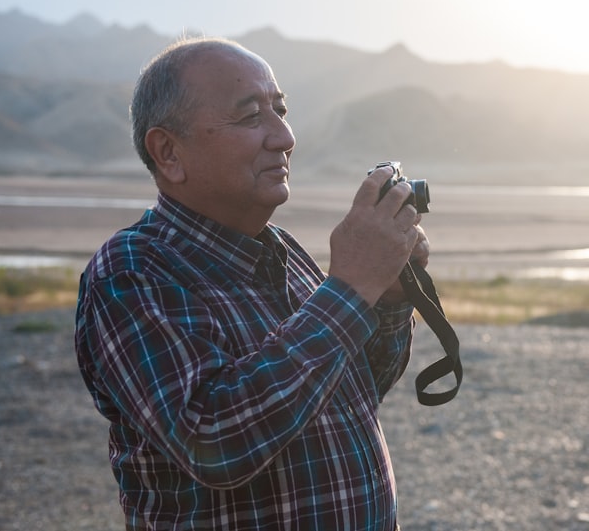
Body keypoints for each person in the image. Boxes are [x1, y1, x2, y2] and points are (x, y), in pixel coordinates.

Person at [75, 37, 428, 530]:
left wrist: (384, 294)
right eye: (249, 117)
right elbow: (214, 440)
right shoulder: (132, 272)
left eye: (280, 111)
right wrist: (349, 287)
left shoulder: (282, 250)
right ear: (169, 152)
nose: (284, 137)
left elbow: (356, 390)